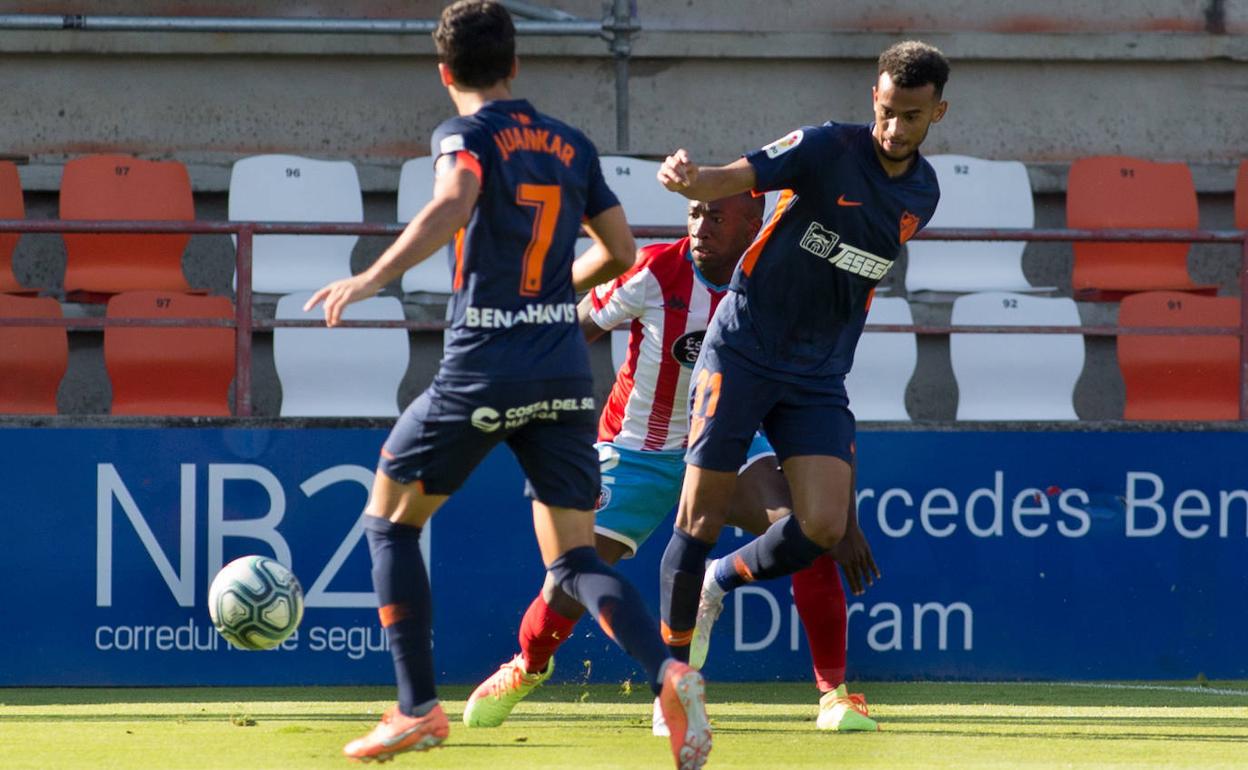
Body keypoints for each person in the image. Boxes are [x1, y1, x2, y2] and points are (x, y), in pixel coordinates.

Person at [304, 3, 710, 766]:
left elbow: (455, 200)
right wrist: (555, 292)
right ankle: (668, 671)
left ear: (444, 72)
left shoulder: (464, 134)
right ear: (516, 65)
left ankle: (416, 709)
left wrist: (371, 277)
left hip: (486, 362)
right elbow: (622, 251)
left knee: (390, 520)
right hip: (561, 367)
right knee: (575, 563)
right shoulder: (572, 143)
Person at [462, 193, 881, 734]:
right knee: (569, 577)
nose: (701, 225)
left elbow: (824, 399)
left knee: (809, 535)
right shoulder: (657, 269)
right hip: (636, 450)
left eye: (716, 215)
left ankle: (834, 698)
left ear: (754, 225)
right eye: (695, 213)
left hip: (729, 444)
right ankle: (526, 668)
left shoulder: (778, 287)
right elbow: (576, 328)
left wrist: (842, 511)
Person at [652, 41, 950, 698]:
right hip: (745, 348)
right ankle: (673, 688)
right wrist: (691, 179)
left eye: (913, 116)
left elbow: (851, 279)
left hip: (816, 375)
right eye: (889, 110)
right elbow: (734, 177)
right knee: (697, 520)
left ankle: (720, 580)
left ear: (938, 113)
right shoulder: (824, 148)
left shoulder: (923, 195)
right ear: (874, 96)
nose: (896, 127)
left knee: (822, 526)